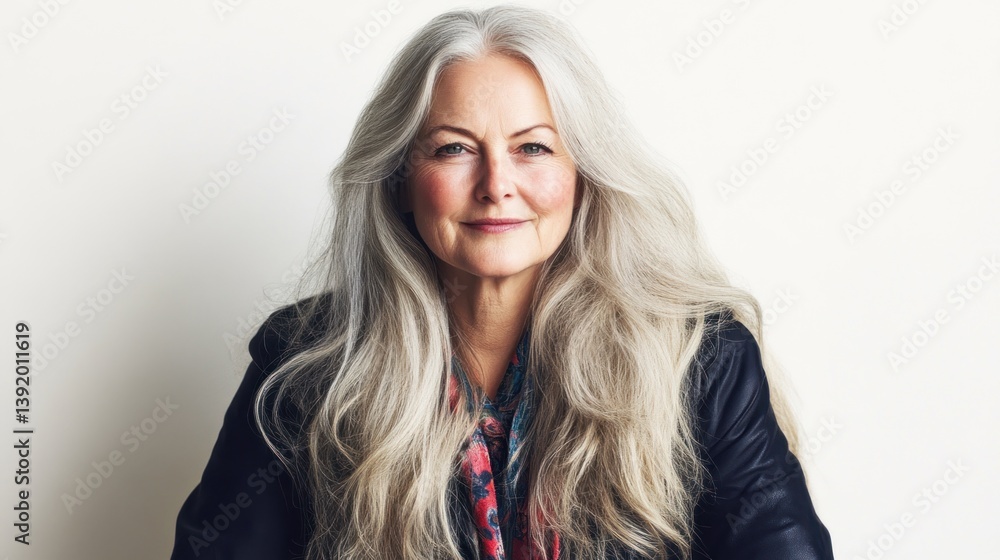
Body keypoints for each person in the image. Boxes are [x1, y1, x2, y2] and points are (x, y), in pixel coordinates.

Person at [169, 5, 835, 559]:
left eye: (533, 147)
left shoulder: (701, 359)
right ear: (400, 180)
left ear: (584, 175)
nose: (496, 185)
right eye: (454, 148)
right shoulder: (304, 363)